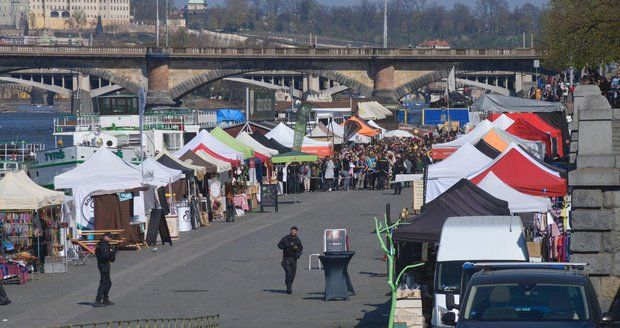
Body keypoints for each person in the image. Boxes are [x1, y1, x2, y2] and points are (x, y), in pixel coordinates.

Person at [277, 226, 303, 294]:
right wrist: (287, 246)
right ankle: (289, 288)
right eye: (292, 231)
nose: (293, 232)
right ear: (290, 231)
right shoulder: (286, 238)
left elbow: (301, 249)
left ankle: (288, 283)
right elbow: (279, 245)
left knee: (293, 274)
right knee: (288, 273)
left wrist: (299, 254)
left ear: (297, 232)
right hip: (286, 258)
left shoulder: (297, 240)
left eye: (295, 231)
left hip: (294, 259)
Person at [94, 233, 117, 307]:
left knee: (108, 283)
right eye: (110, 237)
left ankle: (105, 299)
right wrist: (112, 252)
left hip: (103, 264)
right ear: (105, 237)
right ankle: (98, 300)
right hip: (103, 265)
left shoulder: (102, 243)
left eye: (111, 238)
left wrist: (112, 252)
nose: (111, 239)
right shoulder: (103, 245)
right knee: (104, 283)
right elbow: (105, 256)